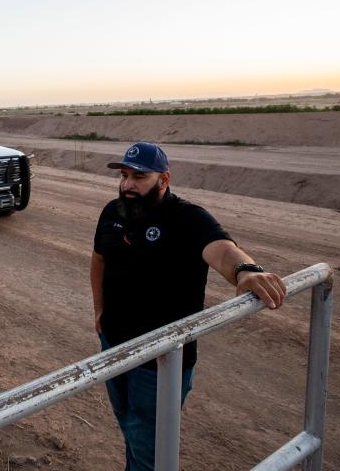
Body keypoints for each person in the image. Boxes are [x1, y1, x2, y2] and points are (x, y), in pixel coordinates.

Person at [91, 141, 286, 471]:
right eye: (124, 175)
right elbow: (99, 260)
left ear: (164, 179)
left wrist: (246, 271)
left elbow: (222, 250)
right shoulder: (113, 212)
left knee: (149, 444)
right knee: (129, 426)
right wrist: (99, 310)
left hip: (161, 360)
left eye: (139, 177)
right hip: (113, 346)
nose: (127, 185)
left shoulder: (187, 218)